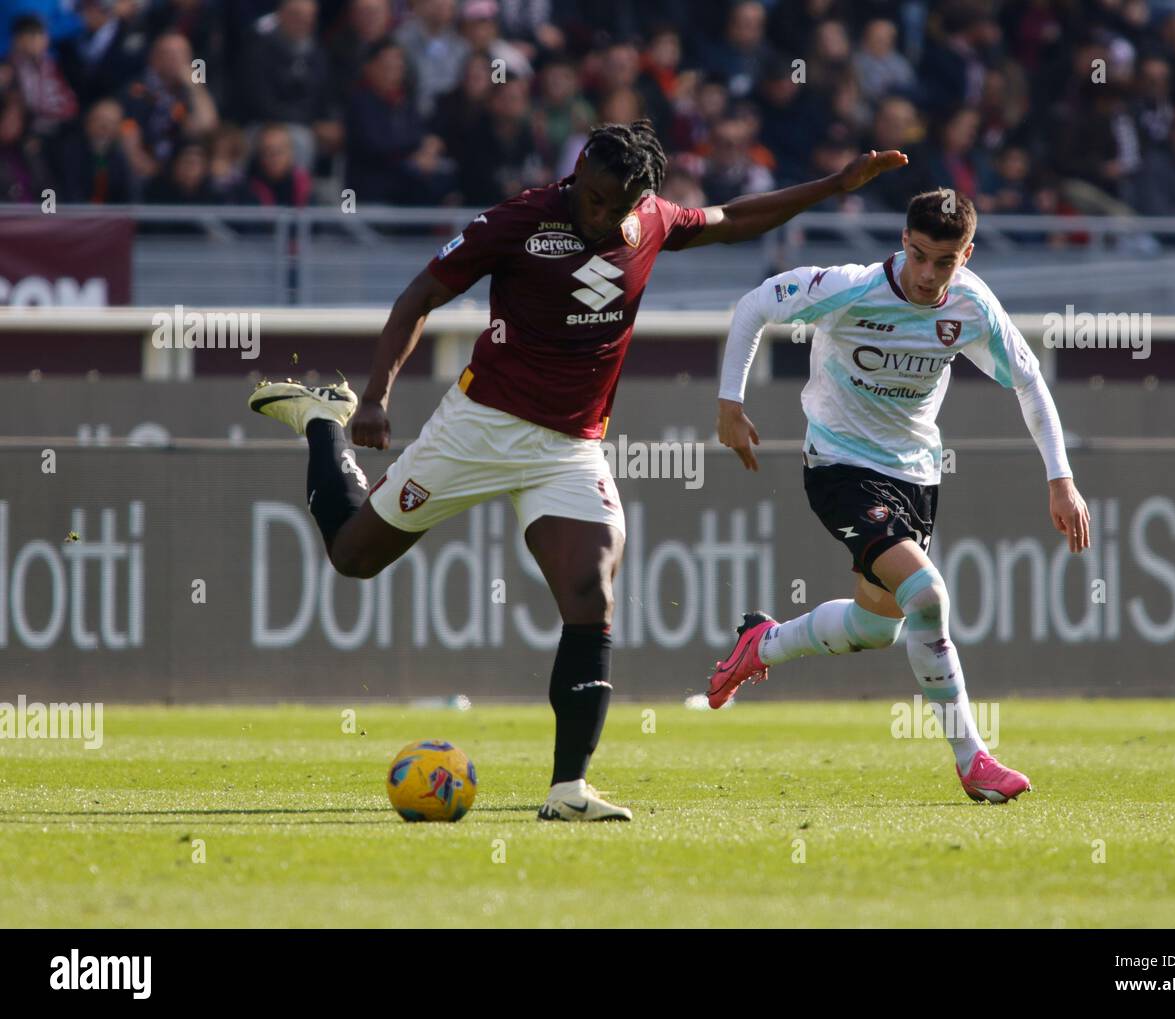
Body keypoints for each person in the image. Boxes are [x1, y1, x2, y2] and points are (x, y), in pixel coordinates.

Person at [249, 120, 906, 821]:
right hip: (480, 425)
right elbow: (420, 296)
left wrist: (833, 186)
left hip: (569, 447)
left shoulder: (650, 219)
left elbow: (734, 217)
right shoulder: (520, 219)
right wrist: (375, 396)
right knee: (353, 557)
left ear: (639, 199)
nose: (597, 215)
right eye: (589, 197)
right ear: (577, 175)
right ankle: (321, 421)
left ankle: (568, 790)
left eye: (613, 205)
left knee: (591, 594)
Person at [707, 188, 1091, 804]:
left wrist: (1061, 478)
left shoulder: (971, 306)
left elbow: (1028, 382)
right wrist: (731, 401)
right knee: (929, 595)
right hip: (838, 467)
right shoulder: (850, 287)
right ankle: (974, 760)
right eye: (917, 255)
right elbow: (756, 305)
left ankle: (762, 644)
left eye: (943, 261)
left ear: (965, 255)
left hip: (915, 476)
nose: (926, 274)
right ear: (902, 243)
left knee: (877, 625)